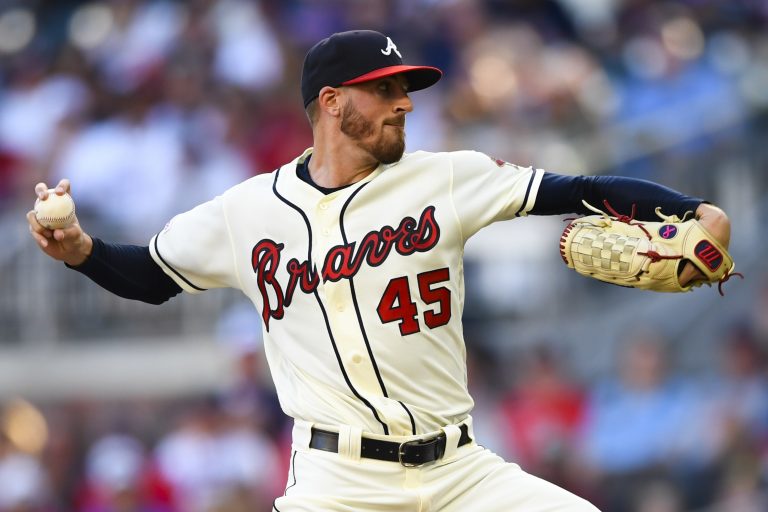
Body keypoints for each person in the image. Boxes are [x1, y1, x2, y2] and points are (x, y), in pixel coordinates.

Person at [27, 30, 730, 511]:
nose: (404, 102)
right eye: (385, 89)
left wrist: (697, 209)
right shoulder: (247, 212)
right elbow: (151, 274)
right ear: (332, 104)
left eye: (405, 88)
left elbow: (575, 188)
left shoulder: (444, 178)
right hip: (338, 483)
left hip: (461, 474)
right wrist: (83, 251)